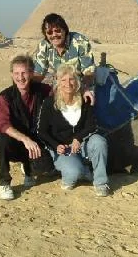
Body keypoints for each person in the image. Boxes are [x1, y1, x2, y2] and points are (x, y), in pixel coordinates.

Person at [37, 63, 110, 197]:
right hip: (62, 149)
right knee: (72, 176)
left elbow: (91, 125)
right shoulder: (49, 103)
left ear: (77, 82)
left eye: (71, 79)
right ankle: (82, 171)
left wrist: (78, 138)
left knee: (99, 141)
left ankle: (100, 182)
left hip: (81, 145)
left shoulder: (84, 101)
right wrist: (55, 145)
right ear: (58, 82)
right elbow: (42, 131)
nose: (68, 83)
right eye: (63, 80)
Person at [0, 54, 54, 200]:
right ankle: (4, 183)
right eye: (17, 73)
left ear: (31, 73)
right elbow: (2, 124)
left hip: (35, 142)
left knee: (47, 166)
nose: (21, 77)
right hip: (16, 143)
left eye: (24, 73)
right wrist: (25, 139)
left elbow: (63, 95)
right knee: (2, 139)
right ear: (11, 75)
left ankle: (29, 171)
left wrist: (84, 91)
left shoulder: (43, 91)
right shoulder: (5, 97)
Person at [33, 13, 96, 103]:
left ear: (64, 30)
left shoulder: (80, 42)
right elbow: (39, 73)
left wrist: (84, 88)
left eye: (57, 30)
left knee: (87, 105)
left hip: (81, 85)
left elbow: (89, 73)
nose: (54, 35)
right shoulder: (44, 46)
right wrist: (25, 84)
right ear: (45, 34)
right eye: (49, 32)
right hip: (60, 86)